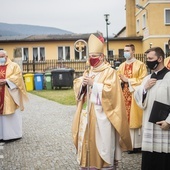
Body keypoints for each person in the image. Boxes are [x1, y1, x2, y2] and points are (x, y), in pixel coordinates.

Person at [72, 33, 132, 170]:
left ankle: (103, 165)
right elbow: (79, 89)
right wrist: (83, 84)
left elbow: (112, 93)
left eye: (95, 56)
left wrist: (94, 84)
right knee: (88, 141)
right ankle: (88, 165)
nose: (92, 59)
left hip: (103, 114)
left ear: (102, 57)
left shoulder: (109, 72)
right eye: (90, 56)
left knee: (102, 143)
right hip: (88, 113)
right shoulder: (89, 70)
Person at [134, 47, 170, 170]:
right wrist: (144, 88)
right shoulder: (147, 79)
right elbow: (138, 98)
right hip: (149, 128)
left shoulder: (169, 78)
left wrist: (169, 122)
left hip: (164, 129)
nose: (148, 61)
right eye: (147, 59)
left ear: (160, 59)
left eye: (150, 58)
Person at [117, 44, 147, 154]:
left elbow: (143, 80)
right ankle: (126, 144)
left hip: (134, 95)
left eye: (128, 50)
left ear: (133, 51)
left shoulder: (140, 65)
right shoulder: (121, 66)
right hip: (123, 95)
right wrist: (121, 81)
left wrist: (128, 80)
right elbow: (117, 79)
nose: (126, 52)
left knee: (135, 120)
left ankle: (136, 145)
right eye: (124, 50)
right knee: (125, 120)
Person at [0, 50, 28, 142]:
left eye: (2, 56)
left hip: (10, 94)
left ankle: (13, 135)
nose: (1, 58)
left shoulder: (14, 66)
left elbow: (18, 77)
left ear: (6, 56)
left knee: (11, 115)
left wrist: (7, 81)